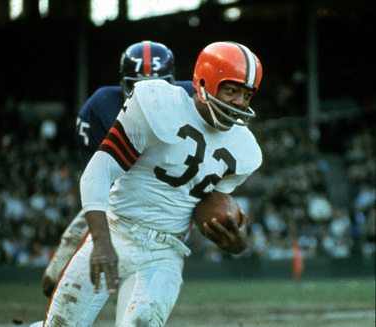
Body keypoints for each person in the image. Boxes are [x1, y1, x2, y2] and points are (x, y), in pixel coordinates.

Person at [31, 41, 263, 327]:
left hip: (164, 252)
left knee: (141, 322)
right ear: (204, 83)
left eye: (247, 95)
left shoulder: (245, 150)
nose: (240, 102)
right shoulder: (157, 103)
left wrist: (237, 243)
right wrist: (101, 242)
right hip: (116, 229)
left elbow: (208, 207)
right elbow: (97, 173)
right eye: (231, 91)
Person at [41, 41, 195, 297]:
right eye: (138, 86)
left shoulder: (193, 101)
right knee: (53, 281)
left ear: (174, 83)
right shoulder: (101, 106)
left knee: (138, 290)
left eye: (159, 85)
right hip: (116, 199)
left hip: (165, 206)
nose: (150, 94)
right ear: (124, 84)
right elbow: (99, 179)